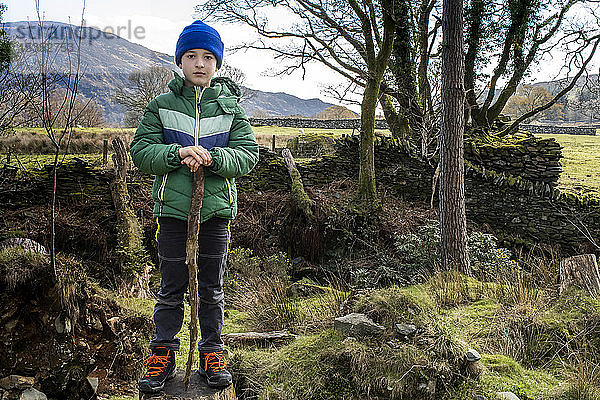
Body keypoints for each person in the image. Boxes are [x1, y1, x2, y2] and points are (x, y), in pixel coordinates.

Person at [130, 20, 259, 393]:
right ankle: (162, 356)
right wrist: (178, 152)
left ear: (217, 62)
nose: (199, 63)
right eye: (191, 56)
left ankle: (211, 352)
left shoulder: (231, 109)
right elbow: (142, 152)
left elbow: (247, 156)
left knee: (211, 288)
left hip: (215, 213)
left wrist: (213, 158)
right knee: (171, 288)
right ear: (180, 61)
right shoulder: (161, 106)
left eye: (207, 56)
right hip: (172, 213)